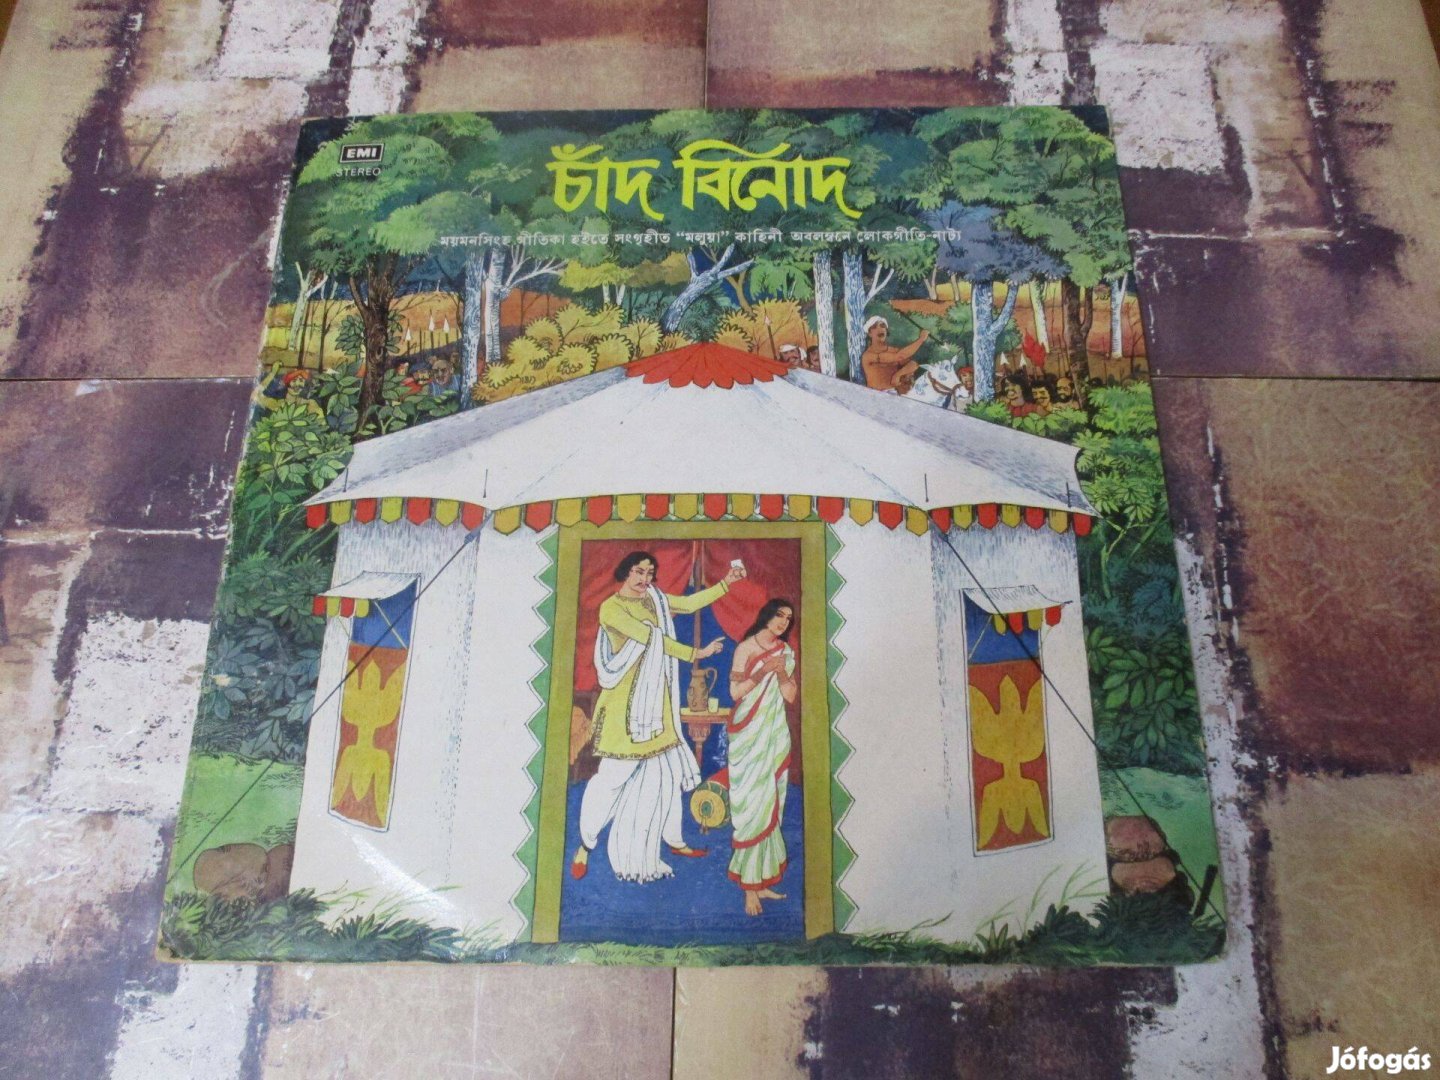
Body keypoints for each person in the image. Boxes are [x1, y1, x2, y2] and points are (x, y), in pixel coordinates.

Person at [573, 551, 747, 883]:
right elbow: (650, 639)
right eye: (639, 572)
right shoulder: (612, 608)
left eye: (650, 573)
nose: (645, 579)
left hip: (657, 707)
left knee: (666, 775)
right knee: (612, 779)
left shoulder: (655, 599)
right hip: (626, 710)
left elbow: (689, 604)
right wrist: (696, 653)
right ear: (625, 573)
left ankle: (674, 841)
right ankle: (586, 844)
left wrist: (726, 582)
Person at [727, 599, 798, 915]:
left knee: (771, 805)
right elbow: (734, 693)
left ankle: (761, 882)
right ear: (767, 615)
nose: (783, 621)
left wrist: (781, 673)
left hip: (773, 734)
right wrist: (762, 672)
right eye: (779, 615)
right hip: (749, 735)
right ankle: (749, 889)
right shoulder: (745, 648)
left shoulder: (785, 653)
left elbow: (790, 695)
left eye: (788, 618)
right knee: (753, 807)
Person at [860, 316, 928, 393]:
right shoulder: (868, 355)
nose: (880, 329)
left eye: (882, 326)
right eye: (874, 327)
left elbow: (914, 365)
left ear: (886, 331)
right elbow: (900, 356)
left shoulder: (893, 351)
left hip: (894, 394)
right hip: (873, 395)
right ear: (870, 333)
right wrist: (921, 339)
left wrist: (898, 374)